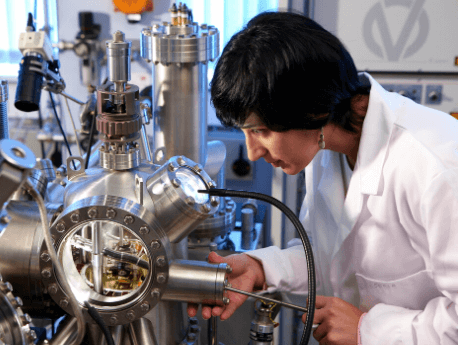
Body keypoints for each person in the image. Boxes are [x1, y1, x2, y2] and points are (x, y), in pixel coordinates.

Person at [187, 11, 458, 345]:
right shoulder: (324, 142)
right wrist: (261, 268)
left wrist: (370, 331)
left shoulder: (438, 165)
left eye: (261, 131)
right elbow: (333, 255)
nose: (253, 152)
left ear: (311, 110)